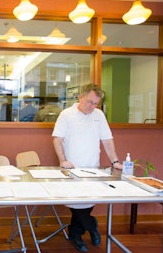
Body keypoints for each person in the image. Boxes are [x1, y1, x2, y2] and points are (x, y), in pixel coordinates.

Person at [52, 83, 122, 252]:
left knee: (87, 204)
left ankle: (75, 233)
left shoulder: (99, 115)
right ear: (80, 97)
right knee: (76, 204)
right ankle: (91, 225)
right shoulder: (66, 115)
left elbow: (107, 139)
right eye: (90, 102)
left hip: (93, 168)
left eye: (96, 103)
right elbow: (57, 138)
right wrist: (62, 160)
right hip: (71, 168)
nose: (93, 106)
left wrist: (115, 162)